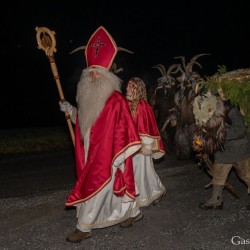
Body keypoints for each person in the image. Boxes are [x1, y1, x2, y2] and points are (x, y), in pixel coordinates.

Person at [59, 26, 143, 243]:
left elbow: (125, 127)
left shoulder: (115, 99)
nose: (93, 75)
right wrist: (71, 110)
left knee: (97, 186)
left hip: (109, 153)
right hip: (89, 150)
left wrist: (120, 156)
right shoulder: (86, 96)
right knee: (105, 190)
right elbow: (86, 123)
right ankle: (133, 213)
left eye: (98, 72)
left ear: (107, 75)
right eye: (90, 72)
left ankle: (84, 227)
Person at [120, 77, 166, 228]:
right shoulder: (127, 104)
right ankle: (154, 192)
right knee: (139, 173)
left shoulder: (141, 106)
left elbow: (147, 127)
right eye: (127, 86)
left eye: (130, 86)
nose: (127, 89)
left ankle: (151, 193)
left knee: (143, 172)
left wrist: (144, 146)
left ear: (137, 89)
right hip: (130, 146)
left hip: (140, 148)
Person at [194, 96, 250, 210]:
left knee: (247, 176)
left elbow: (240, 130)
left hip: (239, 151)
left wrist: (219, 136)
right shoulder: (207, 114)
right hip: (222, 152)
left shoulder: (231, 111)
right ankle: (216, 200)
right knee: (218, 176)